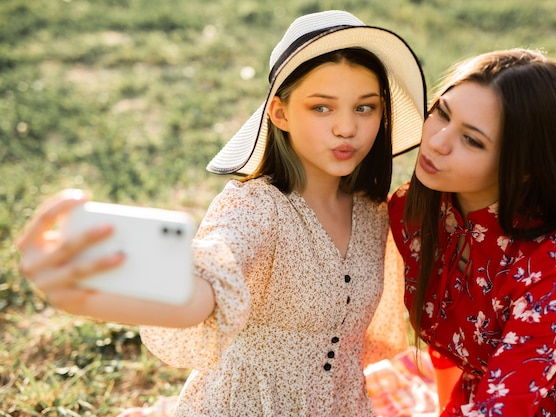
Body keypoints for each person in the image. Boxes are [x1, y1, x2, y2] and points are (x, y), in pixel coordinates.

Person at [16, 10, 428, 417]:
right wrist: (100, 295)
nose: (346, 128)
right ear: (280, 113)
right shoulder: (256, 207)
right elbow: (206, 286)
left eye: (364, 108)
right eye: (321, 108)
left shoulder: (373, 212)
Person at [388, 48, 556, 416]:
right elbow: (447, 347)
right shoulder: (416, 212)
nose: (437, 141)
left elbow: (506, 407)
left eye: (472, 140)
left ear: (525, 167)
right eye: (442, 113)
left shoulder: (552, 263)